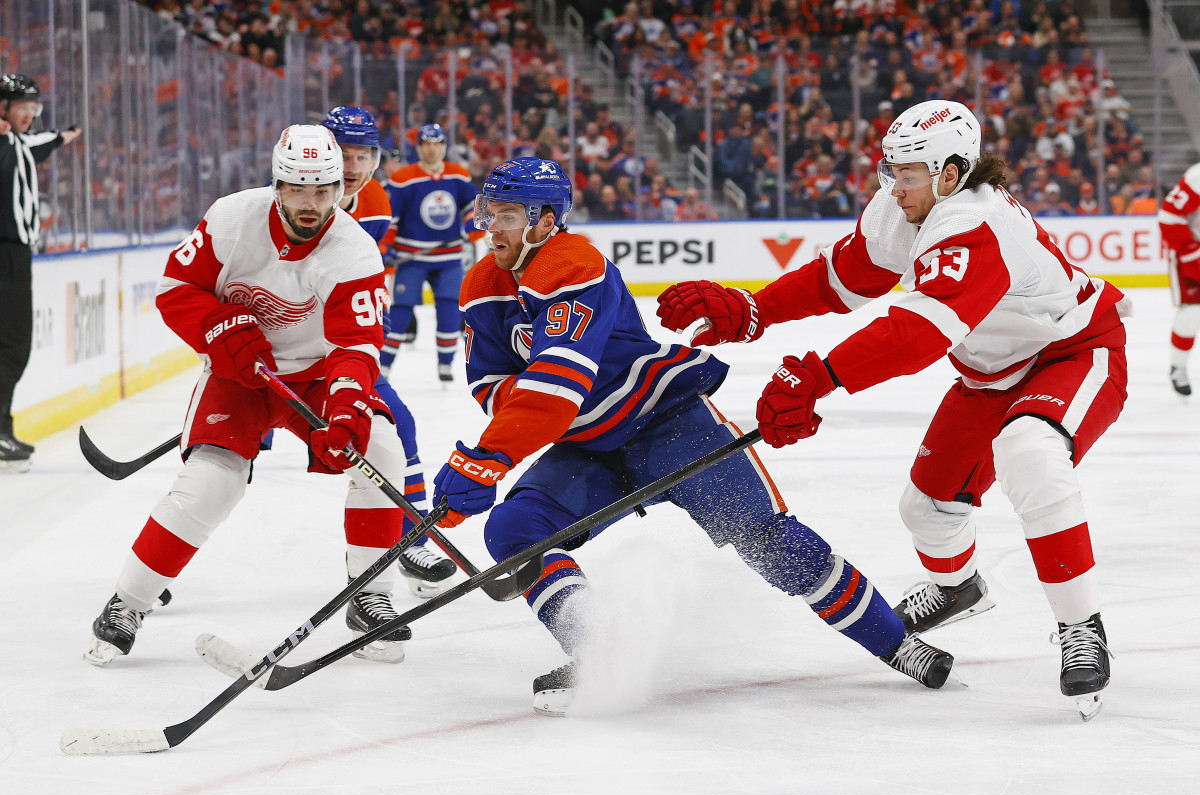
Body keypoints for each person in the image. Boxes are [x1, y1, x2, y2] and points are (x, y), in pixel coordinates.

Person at [430, 156, 955, 717]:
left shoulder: (572, 264)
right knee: (516, 528)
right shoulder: (481, 285)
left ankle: (897, 643)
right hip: (590, 446)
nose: (492, 225)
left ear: (544, 220)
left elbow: (558, 383)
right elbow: (490, 385)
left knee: (775, 545)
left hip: (669, 423)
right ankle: (599, 649)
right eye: (491, 211)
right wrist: (496, 448)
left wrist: (488, 458)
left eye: (508, 214)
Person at [656, 100, 1130, 718]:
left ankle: (1081, 628)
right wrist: (755, 311)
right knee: (927, 509)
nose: (892, 184)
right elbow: (843, 277)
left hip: (1073, 353)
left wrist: (821, 377)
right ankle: (959, 587)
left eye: (907, 172)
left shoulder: (974, 223)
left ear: (952, 173)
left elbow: (918, 334)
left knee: (1030, 451)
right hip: (988, 375)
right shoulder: (906, 204)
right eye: (891, 169)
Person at [85, 125, 417, 666]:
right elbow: (176, 289)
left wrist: (348, 408)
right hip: (238, 376)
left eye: (324, 191)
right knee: (212, 483)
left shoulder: (354, 252)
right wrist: (219, 327)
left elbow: (356, 348)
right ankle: (126, 603)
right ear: (276, 183)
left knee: (380, 450)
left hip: (314, 375)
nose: (311, 205)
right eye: (297, 190)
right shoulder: (232, 218)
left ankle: (369, 595)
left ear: (340, 188)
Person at [321, 105, 456, 596]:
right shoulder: (284, 194)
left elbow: (350, 289)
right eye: (343, 154)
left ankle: (409, 537)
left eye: (363, 155)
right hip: (275, 350)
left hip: (335, 352)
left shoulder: (374, 203)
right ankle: (154, 576)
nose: (353, 167)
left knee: (400, 425)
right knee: (221, 466)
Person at [0, 74, 80, 472]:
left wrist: (66, 134)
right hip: (4, 253)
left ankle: (2, 428)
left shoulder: (18, 142)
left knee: (12, 347)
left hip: (15, 255)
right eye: (22, 108)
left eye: (34, 109)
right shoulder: (2, 143)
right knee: (12, 345)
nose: (30, 115)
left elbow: (42, 142)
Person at [383, 123, 479, 383]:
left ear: (444, 147)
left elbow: (473, 205)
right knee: (400, 312)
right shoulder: (403, 179)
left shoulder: (458, 175)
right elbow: (390, 219)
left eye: (437, 143)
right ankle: (384, 365)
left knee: (449, 310)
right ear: (419, 147)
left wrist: (472, 227)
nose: (432, 149)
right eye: (427, 143)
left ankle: (446, 364)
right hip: (411, 257)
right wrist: (385, 247)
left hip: (448, 257)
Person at [1157, 162, 1200, 397]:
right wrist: (1191, 253)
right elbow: (1169, 216)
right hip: (1192, 252)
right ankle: (1178, 367)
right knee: (1191, 313)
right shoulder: (1197, 177)